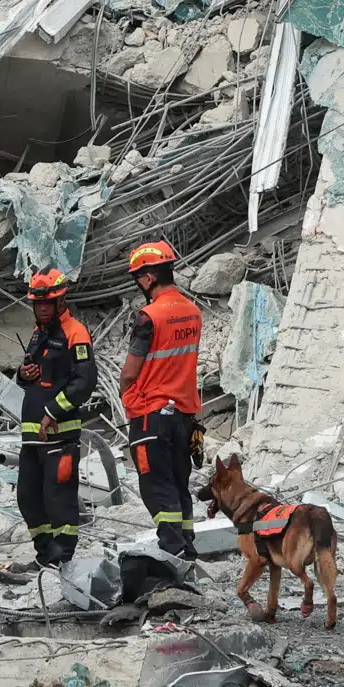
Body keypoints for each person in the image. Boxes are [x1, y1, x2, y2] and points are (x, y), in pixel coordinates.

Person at [119, 240, 202, 559]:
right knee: (179, 483)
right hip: (185, 414)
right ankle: (187, 546)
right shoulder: (192, 313)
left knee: (156, 485)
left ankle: (172, 549)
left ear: (149, 277)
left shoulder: (149, 317)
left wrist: (131, 400)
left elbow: (129, 373)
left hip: (151, 415)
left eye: (138, 277)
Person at [15, 269, 95, 569]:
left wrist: (52, 412)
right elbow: (29, 377)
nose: (43, 308)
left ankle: (64, 558)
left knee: (58, 499)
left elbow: (85, 382)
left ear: (62, 300)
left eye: (49, 303)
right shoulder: (38, 335)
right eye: (38, 304)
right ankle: (46, 554)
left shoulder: (76, 332)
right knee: (28, 498)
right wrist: (22, 374)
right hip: (32, 436)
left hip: (61, 436)